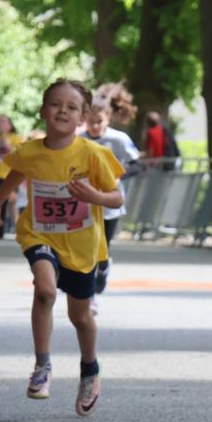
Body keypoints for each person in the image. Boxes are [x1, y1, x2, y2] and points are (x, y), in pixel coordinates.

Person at [0, 79, 124, 415]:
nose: (63, 110)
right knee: (45, 290)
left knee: (80, 317)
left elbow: (118, 196)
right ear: (43, 111)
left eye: (72, 107)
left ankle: (90, 368)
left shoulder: (94, 154)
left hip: (81, 244)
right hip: (40, 234)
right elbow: (17, 173)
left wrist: (96, 197)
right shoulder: (30, 151)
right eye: (55, 104)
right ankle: (42, 366)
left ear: (82, 118)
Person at [81, 99, 140, 314]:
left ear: (107, 119)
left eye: (99, 122)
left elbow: (136, 165)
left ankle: (104, 268)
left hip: (110, 205)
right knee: (88, 250)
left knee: (102, 249)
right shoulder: (78, 139)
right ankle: (90, 297)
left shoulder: (118, 139)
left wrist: (117, 176)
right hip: (84, 204)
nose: (95, 126)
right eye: (91, 122)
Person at [0, 115, 24, 240]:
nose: (1, 124)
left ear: (10, 125)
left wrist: (4, 135)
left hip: (9, 175)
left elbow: (11, 150)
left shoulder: (16, 138)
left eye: (4, 122)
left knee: (5, 201)